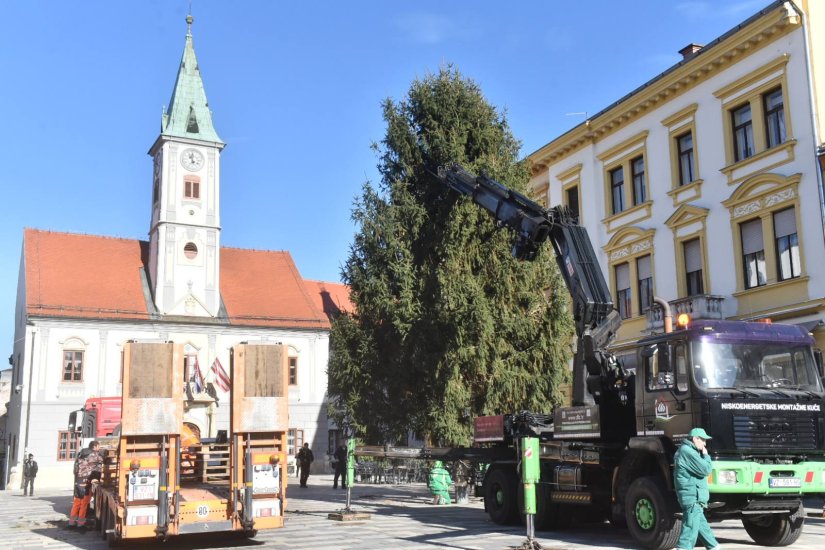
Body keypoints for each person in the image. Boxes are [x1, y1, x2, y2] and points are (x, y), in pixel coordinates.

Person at [674, 428, 721, 550]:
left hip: (693, 496)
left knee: (702, 527)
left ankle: (714, 547)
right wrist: (706, 455)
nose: (705, 444)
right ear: (695, 439)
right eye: (703, 440)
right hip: (692, 496)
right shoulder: (687, 452)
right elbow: (706, 469)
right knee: (689, 530)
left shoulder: (687, 451)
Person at [68, 441, 103, 531]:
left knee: (76, 502)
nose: (99, 448)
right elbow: (103, 460)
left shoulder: (81, 454)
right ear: (94, 447)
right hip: (86, 480)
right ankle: (80, 524)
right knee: (84, 503)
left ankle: (71, 522)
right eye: (98, 446)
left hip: (78, 481)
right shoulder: (94, 455)